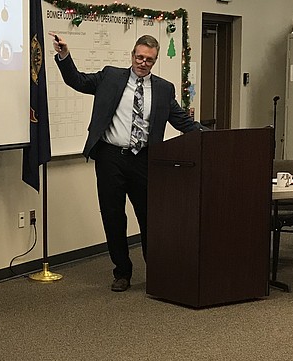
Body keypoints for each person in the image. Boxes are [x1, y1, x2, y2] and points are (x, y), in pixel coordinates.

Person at [53, 33, 203, 291]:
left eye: (149, 60)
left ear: (155, 62)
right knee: (113, 216)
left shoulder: (164, 89)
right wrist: (65, 55)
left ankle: (156, 270)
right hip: (110, 157)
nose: (143, 63)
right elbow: (76, 80)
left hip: (144, 159)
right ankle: (122, 272)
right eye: (139, 57)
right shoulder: (110, 77)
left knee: (149, 217)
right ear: (132, 55)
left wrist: (215, 136)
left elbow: (182, 121)